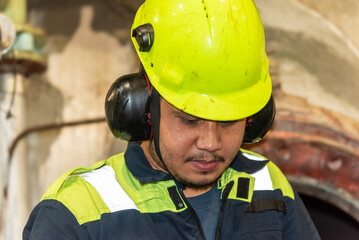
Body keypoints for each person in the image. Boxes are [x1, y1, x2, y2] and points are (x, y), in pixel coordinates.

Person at [23, 0, 320, 239]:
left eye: (229, 121)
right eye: (189, 121)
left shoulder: (269, 185)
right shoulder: (76, 213)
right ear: (142, 107)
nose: (210, 143)